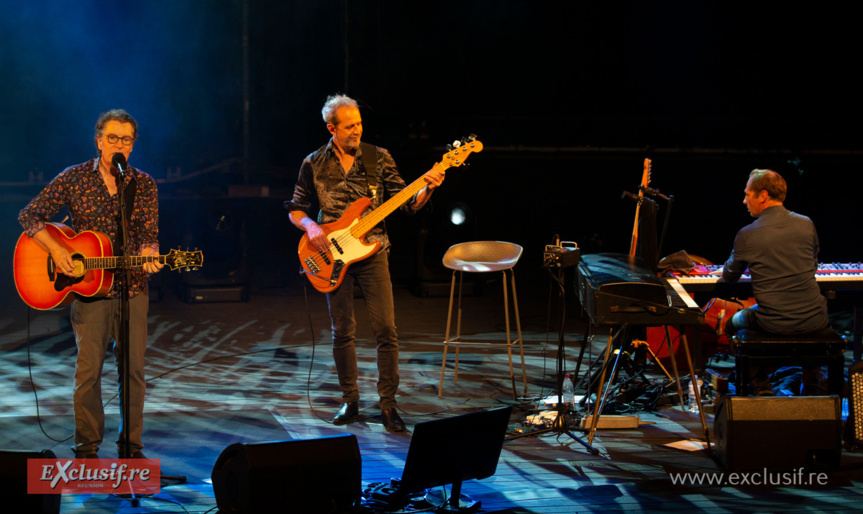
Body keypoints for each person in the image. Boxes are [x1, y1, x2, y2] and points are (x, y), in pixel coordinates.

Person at [288, 94, 444, 432]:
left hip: (374, 251)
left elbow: (407, 203)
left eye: (359, 123)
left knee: (386, 329)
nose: (357, 130)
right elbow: (295, 206)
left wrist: (427, 188)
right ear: (332, 128)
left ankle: (388, 405)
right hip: (330, 255)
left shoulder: (378, 158)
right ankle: (350, 399)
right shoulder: (313, 162)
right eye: (349, 126)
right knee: (342, 330)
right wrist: (311, 226)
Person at [18, 109, 162, 458]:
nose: (119, 145)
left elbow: (149, 234)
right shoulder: (74, 179)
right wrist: (58, 251)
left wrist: (150, 252)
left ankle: (131, 447)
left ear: (133, 145)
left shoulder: (143, 184)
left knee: (134, 372)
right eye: (112, 138)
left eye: (126, 140)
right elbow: (29, 215)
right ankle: (87, 447)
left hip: (132, 288)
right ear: (98, 141)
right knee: (88, 373)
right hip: (89, 292)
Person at [721, 169, 828, 395]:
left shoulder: (747, 234)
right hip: (816, 318)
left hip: (772, 322)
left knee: (730, 324)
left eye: (747, 194)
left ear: (763, 196)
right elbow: (813, 263)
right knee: (807, 322)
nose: (744, 200)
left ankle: (760, 386)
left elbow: (729, 276)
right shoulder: (806, 223)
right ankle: (811, 387)